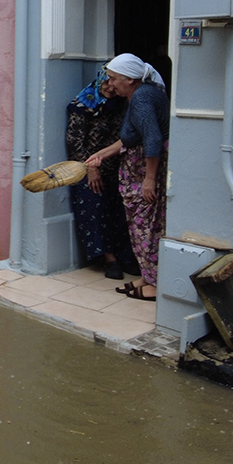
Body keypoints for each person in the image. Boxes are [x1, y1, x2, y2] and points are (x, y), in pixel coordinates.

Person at [84, 53, 170, 301]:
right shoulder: (145, 93)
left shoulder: (142, 98)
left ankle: (153, 285)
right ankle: (147, 276)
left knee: (146, 226)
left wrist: (149, 179)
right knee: (141, 225)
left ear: (129, 79)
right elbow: (132, 136)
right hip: (139, 166)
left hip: (144, 170)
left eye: (113, 78)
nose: (110, 84)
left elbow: (152, 138)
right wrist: (102, 154)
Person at [66, 65, 138, 280]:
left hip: (115, 166)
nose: (110, 86)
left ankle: (125, 256)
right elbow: (75, 142)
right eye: (106, 81)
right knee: (95, 209)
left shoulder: (122, 104)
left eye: (113, 81)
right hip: (89, 169)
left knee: (119, 211)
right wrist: (91, 168)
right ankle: (109, 259)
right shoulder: (81, 104)